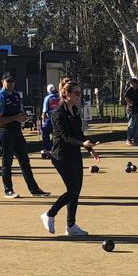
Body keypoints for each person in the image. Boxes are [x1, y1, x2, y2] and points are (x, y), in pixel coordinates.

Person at [40, 79, 100, 236]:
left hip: (74, 154)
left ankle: (71, 226)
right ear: (66, 94)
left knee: (76, 190)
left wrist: (89, 149)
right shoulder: (58, 114)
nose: (79, 96)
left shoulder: (75, 112)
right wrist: (82, 143)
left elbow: (79, 134)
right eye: (76, 93)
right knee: (72, 190)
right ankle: (49, 215)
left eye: (80, 93)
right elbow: (66, 137)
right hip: (60, 156)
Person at [0, 71, 50, 199]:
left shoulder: (16, 96)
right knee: (7, 163)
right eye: (8, 81)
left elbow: (21, 113)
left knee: (25, 161)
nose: (11, 84)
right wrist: (15, 118)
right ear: (3, 82)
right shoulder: (0, 97)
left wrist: (24, 117)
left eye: (13, 81)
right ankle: (8, 190)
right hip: (5, 132)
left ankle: (34, 189)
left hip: (17, 132)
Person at [40, 83, 60, 158]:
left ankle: (47, 149)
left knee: (45, 132)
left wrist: (43, 120)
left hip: (50, 119)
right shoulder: (60, 97)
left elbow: (44, 112)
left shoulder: (47, 98)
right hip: (59, 119)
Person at [123, 77, 138, 145]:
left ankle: (136, 139)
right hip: (132, 110)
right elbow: (125, 97)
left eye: (137, 83)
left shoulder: (137, 90)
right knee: (131, 125)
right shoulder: (130, 90)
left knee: (137, 125)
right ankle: (128, 139)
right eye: (136, 83)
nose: (137, 84)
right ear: (132, 83)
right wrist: (130, 103)